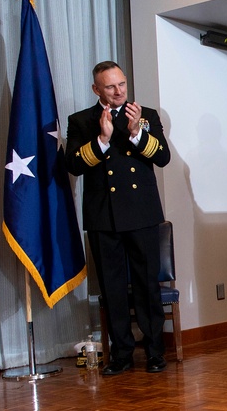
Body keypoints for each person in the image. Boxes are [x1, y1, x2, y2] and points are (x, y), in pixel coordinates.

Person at [66, 61, 171, 375]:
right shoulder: (81, 120)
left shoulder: (145, 115)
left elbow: (163, 157)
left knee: (146, 286)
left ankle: (155, 352)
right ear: (96, 89)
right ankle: (121, 354)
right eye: (110, 87)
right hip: (104, 216)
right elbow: (73, 165)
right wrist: (102, 138)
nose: (119, 91)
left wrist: (137, 132)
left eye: (122, 84)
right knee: (111, 290)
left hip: (141, 212)